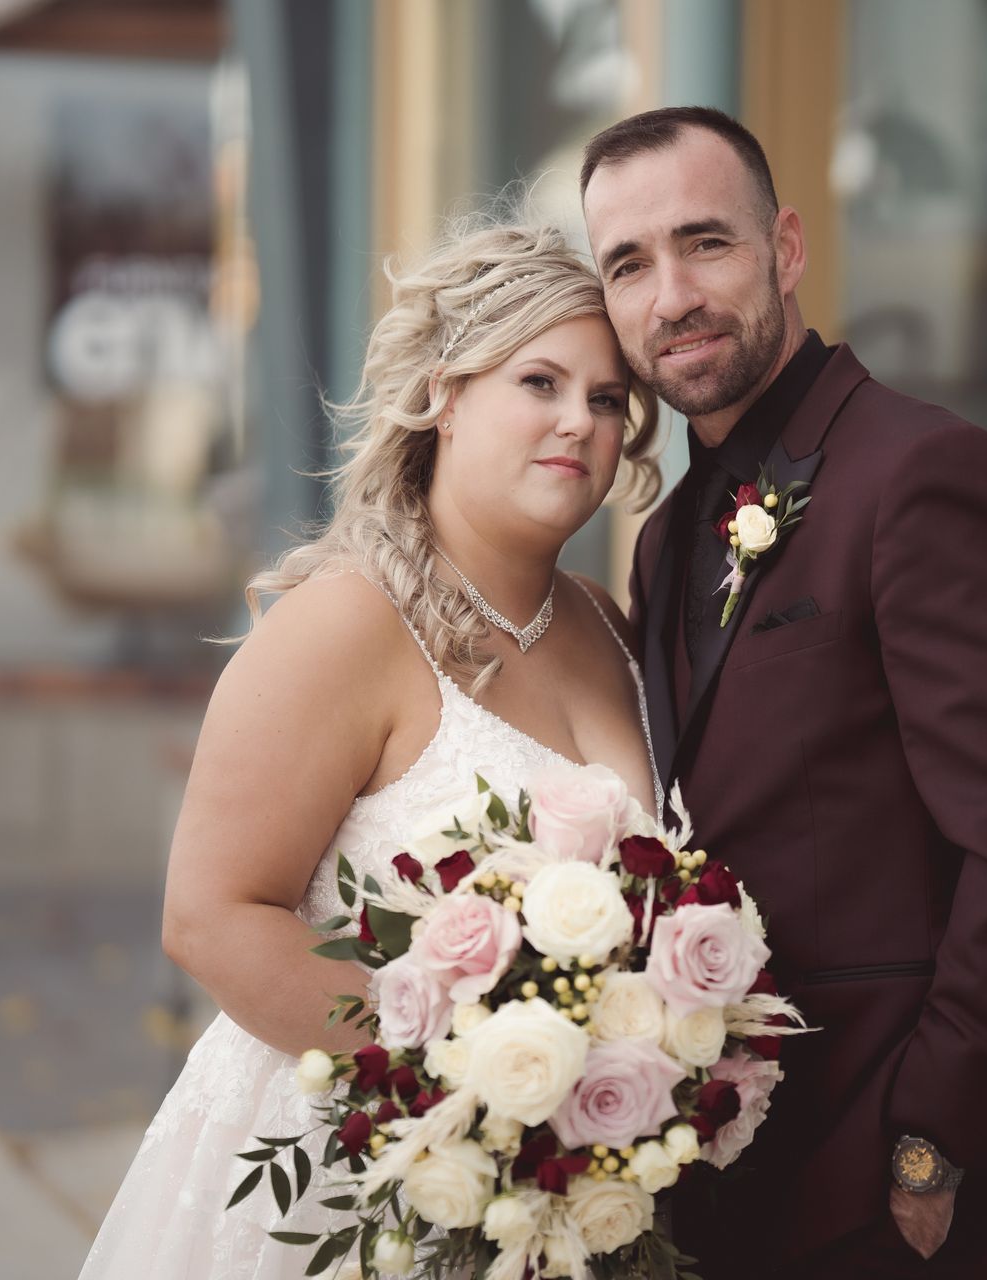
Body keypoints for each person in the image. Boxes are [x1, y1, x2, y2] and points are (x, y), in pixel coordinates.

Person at [580, 107, 987, 1279]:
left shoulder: (926, 473)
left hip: (880, 1163)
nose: (671, 292)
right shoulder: (665, 534)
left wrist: (936, 1137)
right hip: (715, 1157)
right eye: (628, 263)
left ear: (786, 250)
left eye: (707, 243)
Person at [79, 219, 661, 1278]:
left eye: (608, 397)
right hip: (351, 1191)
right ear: (443, 390)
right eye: (540, 380)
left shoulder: (611, 628)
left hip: (567, 1203)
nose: (580, 420)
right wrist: (480, 1087)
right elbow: (209, 916)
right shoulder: (345, 621)